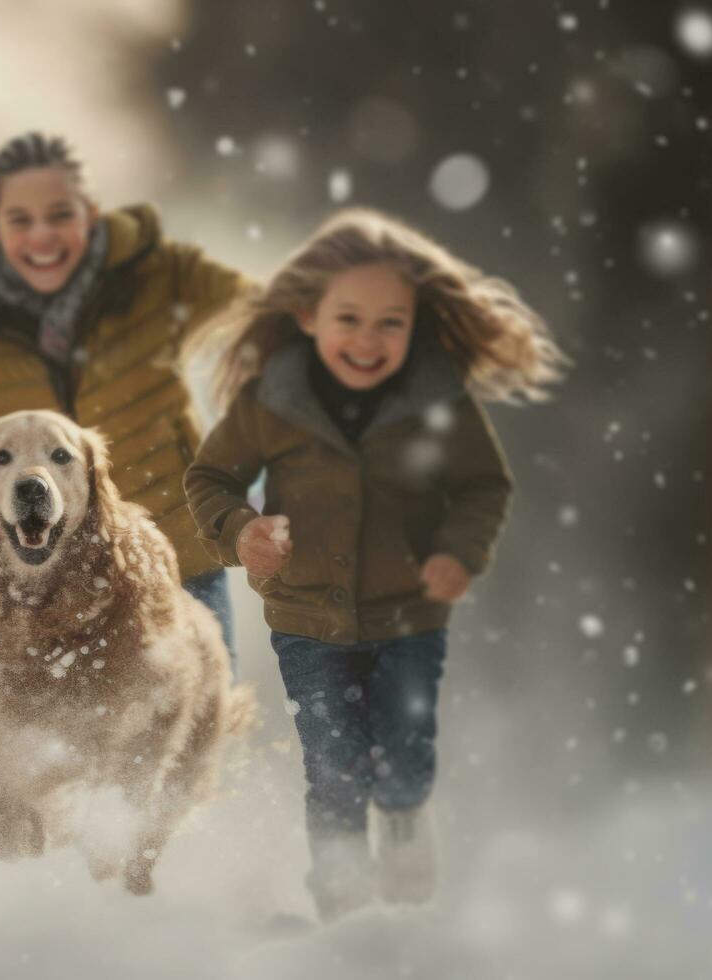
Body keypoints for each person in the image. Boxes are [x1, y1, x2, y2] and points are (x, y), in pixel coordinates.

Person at [184, 207, 566, 918]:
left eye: (391, 322)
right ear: (307, 317)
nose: (368, 339)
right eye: (349, 319)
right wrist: (240, 531)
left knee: (405, 752)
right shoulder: (270, 400)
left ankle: (403, 814)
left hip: (408, 617)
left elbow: (484, 484)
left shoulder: (437, 401)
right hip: (307, 619)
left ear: (417, 324)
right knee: (333, 767)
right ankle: (341, 896)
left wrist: (459, 552)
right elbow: (210, 480)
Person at [0, 131, 255, 659]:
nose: (42, 236)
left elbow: (276, 319)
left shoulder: (161, 276)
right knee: (57, 736)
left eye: (60, 214)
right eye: (20, 220)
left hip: (177, 559)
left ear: (91, 213)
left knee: (191, 730)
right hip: (42, 585)